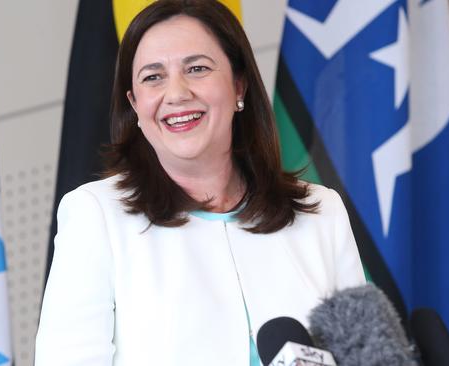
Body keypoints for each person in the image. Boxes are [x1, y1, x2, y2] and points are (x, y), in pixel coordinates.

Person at [35, 1, 365, 365]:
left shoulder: (321, 211)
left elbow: (365, 356)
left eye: (197, 68)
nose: (176, 93)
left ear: (238, 85)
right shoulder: (95, 215)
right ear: (135, 105)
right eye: (153, 77)